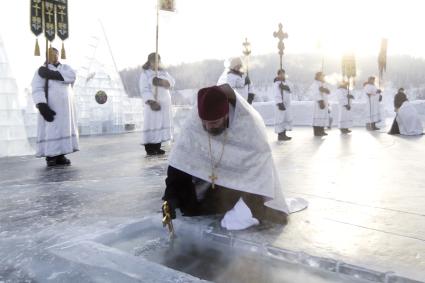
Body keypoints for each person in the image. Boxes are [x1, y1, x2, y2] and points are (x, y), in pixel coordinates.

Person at [162, 84, 290, 230]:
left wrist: (246, 205)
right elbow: (180, 163)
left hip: (237, 187)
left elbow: (260, 170)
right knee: (188, 207)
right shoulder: (194, 122)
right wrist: (170, 196)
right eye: (205, 123)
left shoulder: (249, 124)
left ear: (226, 114)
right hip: (205, 188)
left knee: (262, 214)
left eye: (215, 122)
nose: (209, 127)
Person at [31, 47, 78, 167]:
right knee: (52, 129)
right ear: (46, 57)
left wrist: (52, 74)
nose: (54, 56)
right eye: (51, 54)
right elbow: (37, 89)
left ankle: (61, 154)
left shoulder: (65, 68)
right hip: (51, 105)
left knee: (63, 129)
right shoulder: (40, 71)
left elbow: (72, 76)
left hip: (65, 109)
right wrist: (41, 105)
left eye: (56, 54)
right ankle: (51, 155)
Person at [139, 53, 175, 156]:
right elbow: (144, 89)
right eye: (153, 61)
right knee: (152, 124)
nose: (156, 63)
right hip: (153, 104)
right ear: (149, 61)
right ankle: (149, 148)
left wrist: (163, 81)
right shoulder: (145, 74)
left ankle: (157, 147)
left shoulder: (163, 72)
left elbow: (172, 82)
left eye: (157, 61)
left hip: (164, 104)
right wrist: (151, 101)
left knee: (161, 125)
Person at [273, 69, 292, 141]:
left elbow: (290, 90)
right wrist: (279, 103)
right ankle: (280, 135)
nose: (282, 75)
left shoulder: (285, 83)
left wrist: (285, 87)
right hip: (280, 104)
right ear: (278, 75)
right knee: (280, 119)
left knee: (285, 119)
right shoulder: (276, 83)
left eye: (283, 74)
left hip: (286, 105)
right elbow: (277, 94)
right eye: (280, 74)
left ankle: (284, 134)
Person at [310, 72, 331, 136]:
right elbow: (315, 93)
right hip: (319, 103)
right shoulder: (315, 84)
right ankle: (316, 131)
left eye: (323, 76)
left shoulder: (323, 84)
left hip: (324, 102)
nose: (323, 77)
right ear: (318, 76)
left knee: (322, 116)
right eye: (322, 76)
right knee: (318, 116)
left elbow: (328, 92)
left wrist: (325, 90)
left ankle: (321, 130)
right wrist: (320, 101)